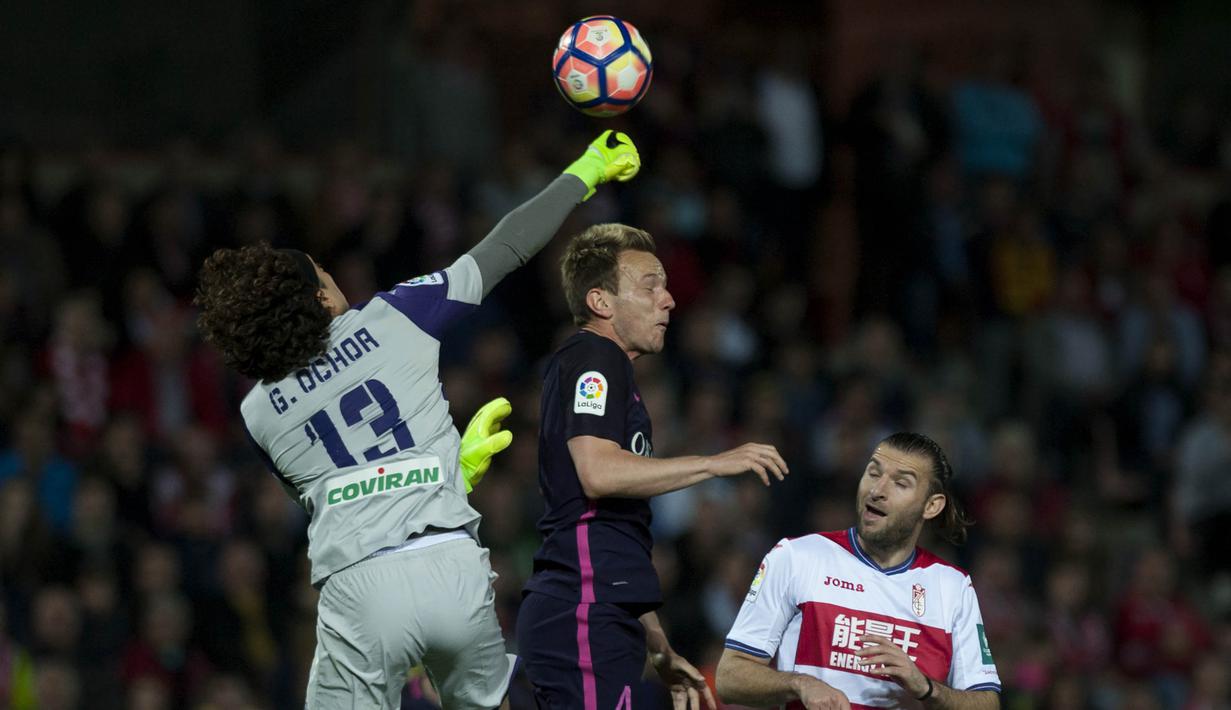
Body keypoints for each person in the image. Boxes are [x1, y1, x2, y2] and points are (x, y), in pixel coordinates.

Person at [193, 130, 641, 709]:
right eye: (326, 276)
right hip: (452, 564)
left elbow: (325, 493)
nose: (336, 281)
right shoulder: (394, 316)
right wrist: (583, 171)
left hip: (360, 588)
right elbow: (507, 247)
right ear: (321, 300)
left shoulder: (257, 414)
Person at [517, 223, 790, 709]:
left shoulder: (608, 367)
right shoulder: (595, 358)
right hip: (583, 608)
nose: (668, 300)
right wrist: (713, 463)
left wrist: (655, 640)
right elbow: (597, 474)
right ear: (602, 303)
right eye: (650, 287)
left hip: (600, 607)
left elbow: (614, 525)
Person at [715, 432, 1001, 709]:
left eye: (900, 483)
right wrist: (800, 684)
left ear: (931, 505)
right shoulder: (796, 557)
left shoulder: (952, 586)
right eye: (874, 473)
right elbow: (729, 677)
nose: (877, 491)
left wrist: (926, 688)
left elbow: (986, 702)